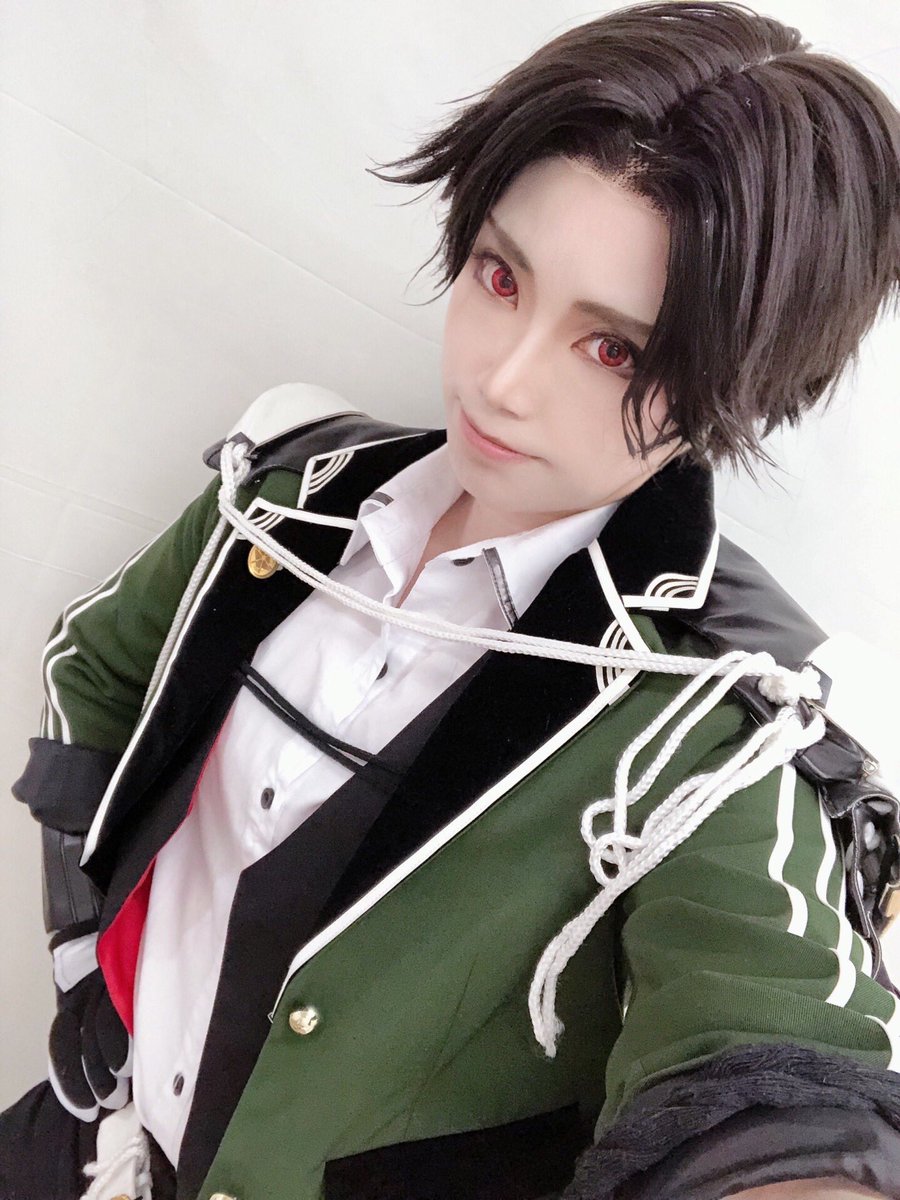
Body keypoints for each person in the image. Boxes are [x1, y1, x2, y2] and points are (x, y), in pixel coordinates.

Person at [4, 1, 900, 1197]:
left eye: (616, 350)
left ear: (735, 384)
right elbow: (96, 668)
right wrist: (81, 948)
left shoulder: (718, 723)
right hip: (77, 1140)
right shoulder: (290, 493)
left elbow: (776, 1064)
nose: (502, 378)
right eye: (500, 275)